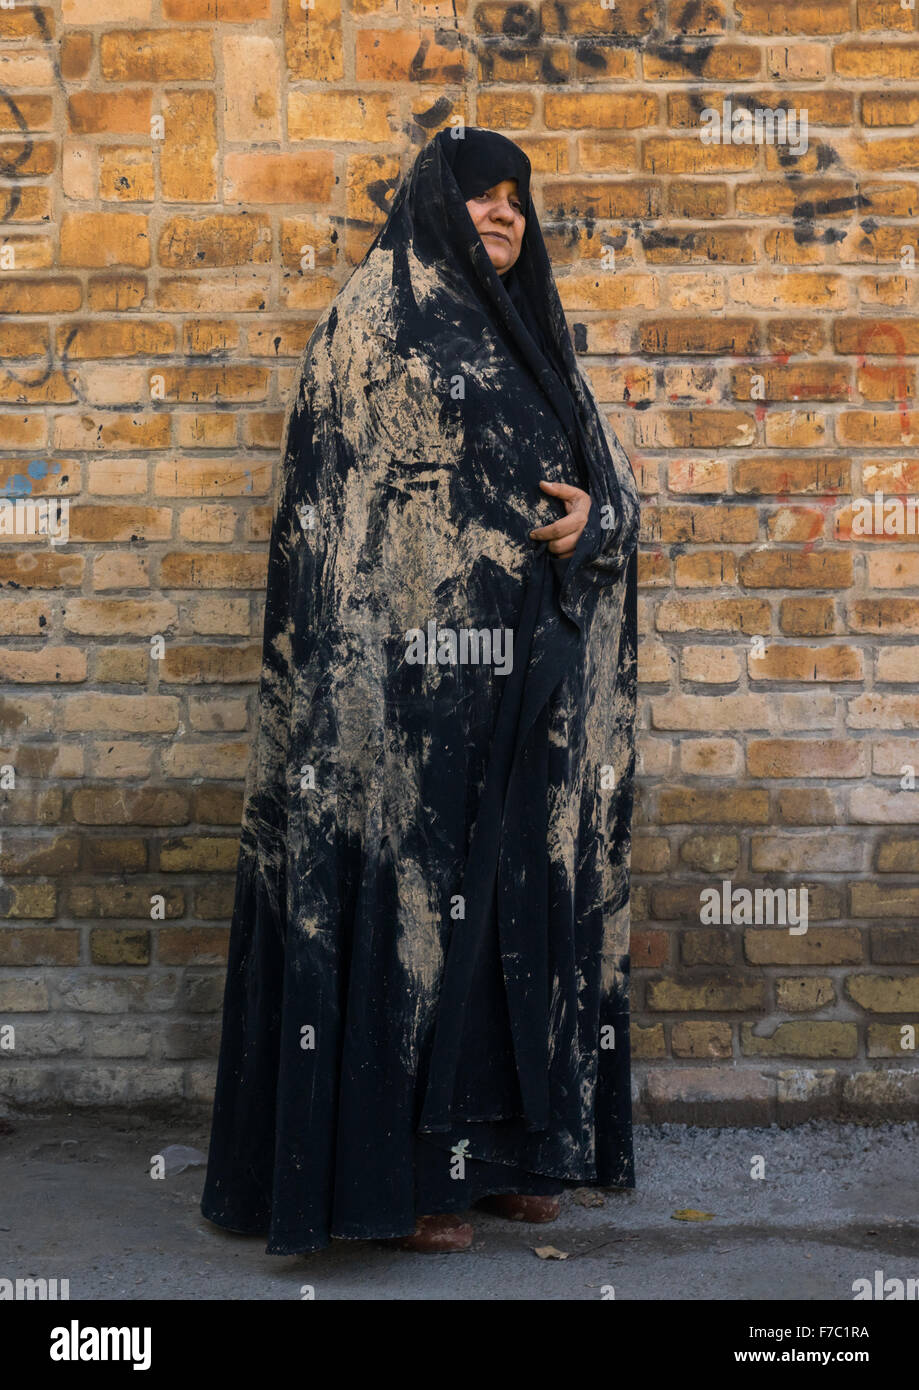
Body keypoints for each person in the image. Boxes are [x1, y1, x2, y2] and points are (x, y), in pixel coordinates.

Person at [200, 127, 641, 1256]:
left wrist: (599, 518)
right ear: (430, 204)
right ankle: (405, 1176)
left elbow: (607, 485)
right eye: (479, 196)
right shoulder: (367, 325)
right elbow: (345, 528)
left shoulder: (535, 331)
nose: (502, 214)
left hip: (531, 697)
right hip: (405, 708)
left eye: (517, 200)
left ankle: (505, 1157)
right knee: (414, 926)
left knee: (511, 915)